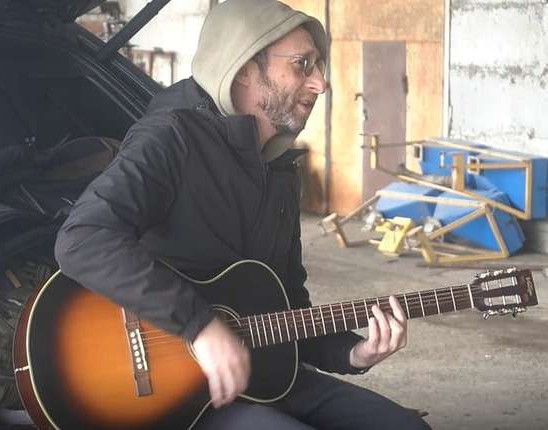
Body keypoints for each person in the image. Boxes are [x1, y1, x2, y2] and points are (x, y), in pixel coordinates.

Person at [55, 0, 430, 428]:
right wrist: (200, 326)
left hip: (266, 376)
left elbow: (287, 306)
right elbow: (83, 238)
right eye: (303, 64)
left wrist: (353, 353)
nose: (321, 83)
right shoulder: (171, 138)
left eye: (319, 66)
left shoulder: (280, 170)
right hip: (174, 390)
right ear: (245, 69)